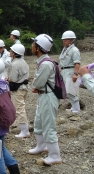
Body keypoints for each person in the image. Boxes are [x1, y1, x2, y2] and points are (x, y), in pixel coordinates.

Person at [29, 34, 62, 165]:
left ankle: (55, 155)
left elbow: (37, 84)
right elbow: (38, 84)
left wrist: (36, 86)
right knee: (38, 122)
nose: (31, 46)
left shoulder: (46, 64)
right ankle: (41, 146)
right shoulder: (44, 62)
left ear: (38, 48)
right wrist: (36, 86)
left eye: (33, 44)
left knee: (48, 125)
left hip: (48, 97)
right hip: (44, 95)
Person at [8, 44, 30, 138]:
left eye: (11, 51)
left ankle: (25, 131)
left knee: (19, 109)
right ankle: (24, 129)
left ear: (14, 53)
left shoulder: (14, 64)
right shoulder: (23, 61)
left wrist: (6, 79)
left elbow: (12, 79)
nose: (10, 52)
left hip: (18, 89)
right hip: (24, 87)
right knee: (22, 108)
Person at [60, 31, 81, 113]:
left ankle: (76, 108)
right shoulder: (65, 50)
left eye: (65, 40)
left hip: (70, 70)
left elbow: (77, 63)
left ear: (71, 40)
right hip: (64, 70)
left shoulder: (74, 50)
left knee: (71, 90)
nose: (63, 41)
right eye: (63, 40)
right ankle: (73, 107)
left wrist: (75, 74)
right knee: (66, 90)